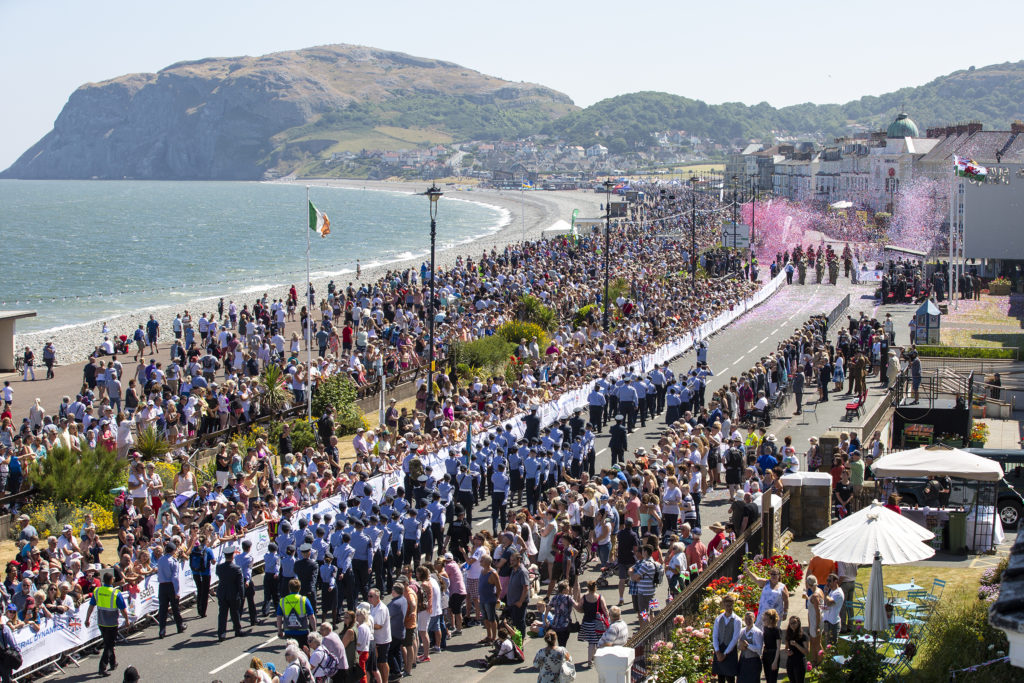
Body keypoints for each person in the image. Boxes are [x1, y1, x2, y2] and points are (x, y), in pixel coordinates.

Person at [84, 570, 130, 677]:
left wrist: (87, 618)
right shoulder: (115, 593)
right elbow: (123, 609)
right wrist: (127, 620)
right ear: (111, 580)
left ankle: (113, 663)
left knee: (109, 642)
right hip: (112, 623)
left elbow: (91, 606)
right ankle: (102, 668)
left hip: (101, 622)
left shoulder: (97, 591)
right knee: (109, 646)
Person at [156, 541, 186, 638]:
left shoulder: (160, 560)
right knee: (175, 607)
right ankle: (180, 626)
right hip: (170, 586)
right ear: (173, 550)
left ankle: (162, 630)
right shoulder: (173, 561)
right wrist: (177, 591)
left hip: (162, 586)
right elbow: (175, 577)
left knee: (163, 609)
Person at [215, 544, 245, 641]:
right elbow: (240, 584)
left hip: (222, 593)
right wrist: (242, 595)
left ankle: (221, 634)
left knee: (222, 614)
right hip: (233, 594)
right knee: (235, 613)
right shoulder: (236, 568)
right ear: (232, 556)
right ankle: (237, 630)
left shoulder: (219, 567)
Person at [712, 593, 743, 683]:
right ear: (723, 605)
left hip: (730, 650)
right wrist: (717, 651)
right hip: (719, 649)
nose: (729, 607)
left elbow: (735, 639)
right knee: (720, 678)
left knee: (730, 678)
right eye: (727, 605)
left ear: (733, 605)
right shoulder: (718, 619)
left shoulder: (737, 620)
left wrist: (725, 654)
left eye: (730, 605)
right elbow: (715, 635)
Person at [278, 578, 316, 649]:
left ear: (289, 588)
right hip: (302, 631)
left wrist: (279, 630)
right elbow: (311, 616)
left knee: (292, 654)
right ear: (299, 588)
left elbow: (279, 617)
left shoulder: (283, 601)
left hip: (289, 632)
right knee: (304, 654)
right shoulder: (304, 599)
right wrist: (314, 630)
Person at [736, 610, 763, 683]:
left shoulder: (757, 632)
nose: (748, 621)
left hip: (753, 662)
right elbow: (738, 645)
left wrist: (748, 645)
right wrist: (740, 646)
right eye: (746, 619)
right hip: (743, 661)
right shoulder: (742, 631)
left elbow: (759, 649)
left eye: (750, 619)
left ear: (754, 619)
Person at [784, 616, 809, 683]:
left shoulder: (803, 636)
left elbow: (806, 651)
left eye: (794, 622)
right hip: (790, 661)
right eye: (791, 623)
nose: (792, 625)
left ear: (798, 623)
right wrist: (788, 651)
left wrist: (796, 645)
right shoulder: (789, 634)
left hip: (800, 661)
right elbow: (786, 648)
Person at [760, 609, 782, 683]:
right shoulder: (765, 629)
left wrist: (775, 661)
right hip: (766, 654)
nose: (764, 621)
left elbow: (778, 648)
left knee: (772, 679)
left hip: (773, 655)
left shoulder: (777, 630)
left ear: (771, 619)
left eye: (765, 619)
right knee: (767, 678)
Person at [822, 573, 844, 646]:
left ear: (836, 581)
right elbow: (826, 602)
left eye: (829, 581)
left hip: (833, 623)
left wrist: (825, 593)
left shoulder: (838, 593)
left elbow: (829, 603)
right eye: (827, 581)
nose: (828, 583)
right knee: (828, 644)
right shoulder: (832, 591)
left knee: (832, 646)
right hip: (828, 621)